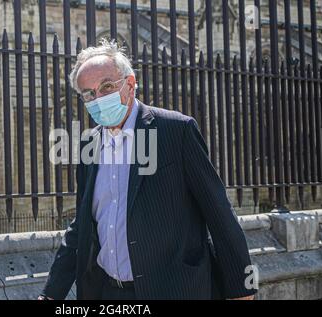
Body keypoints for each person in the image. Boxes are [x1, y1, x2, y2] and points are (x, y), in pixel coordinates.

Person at [38, 39, 257, 300]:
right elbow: (83, 224)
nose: (98, 98)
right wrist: (51, 294)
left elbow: (219, 213)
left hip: (174, 290)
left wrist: (242, 290)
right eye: (89, 93)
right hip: (107, 292)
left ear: (129, 85)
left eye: (107, 86)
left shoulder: (176, 130)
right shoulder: (89, 143)